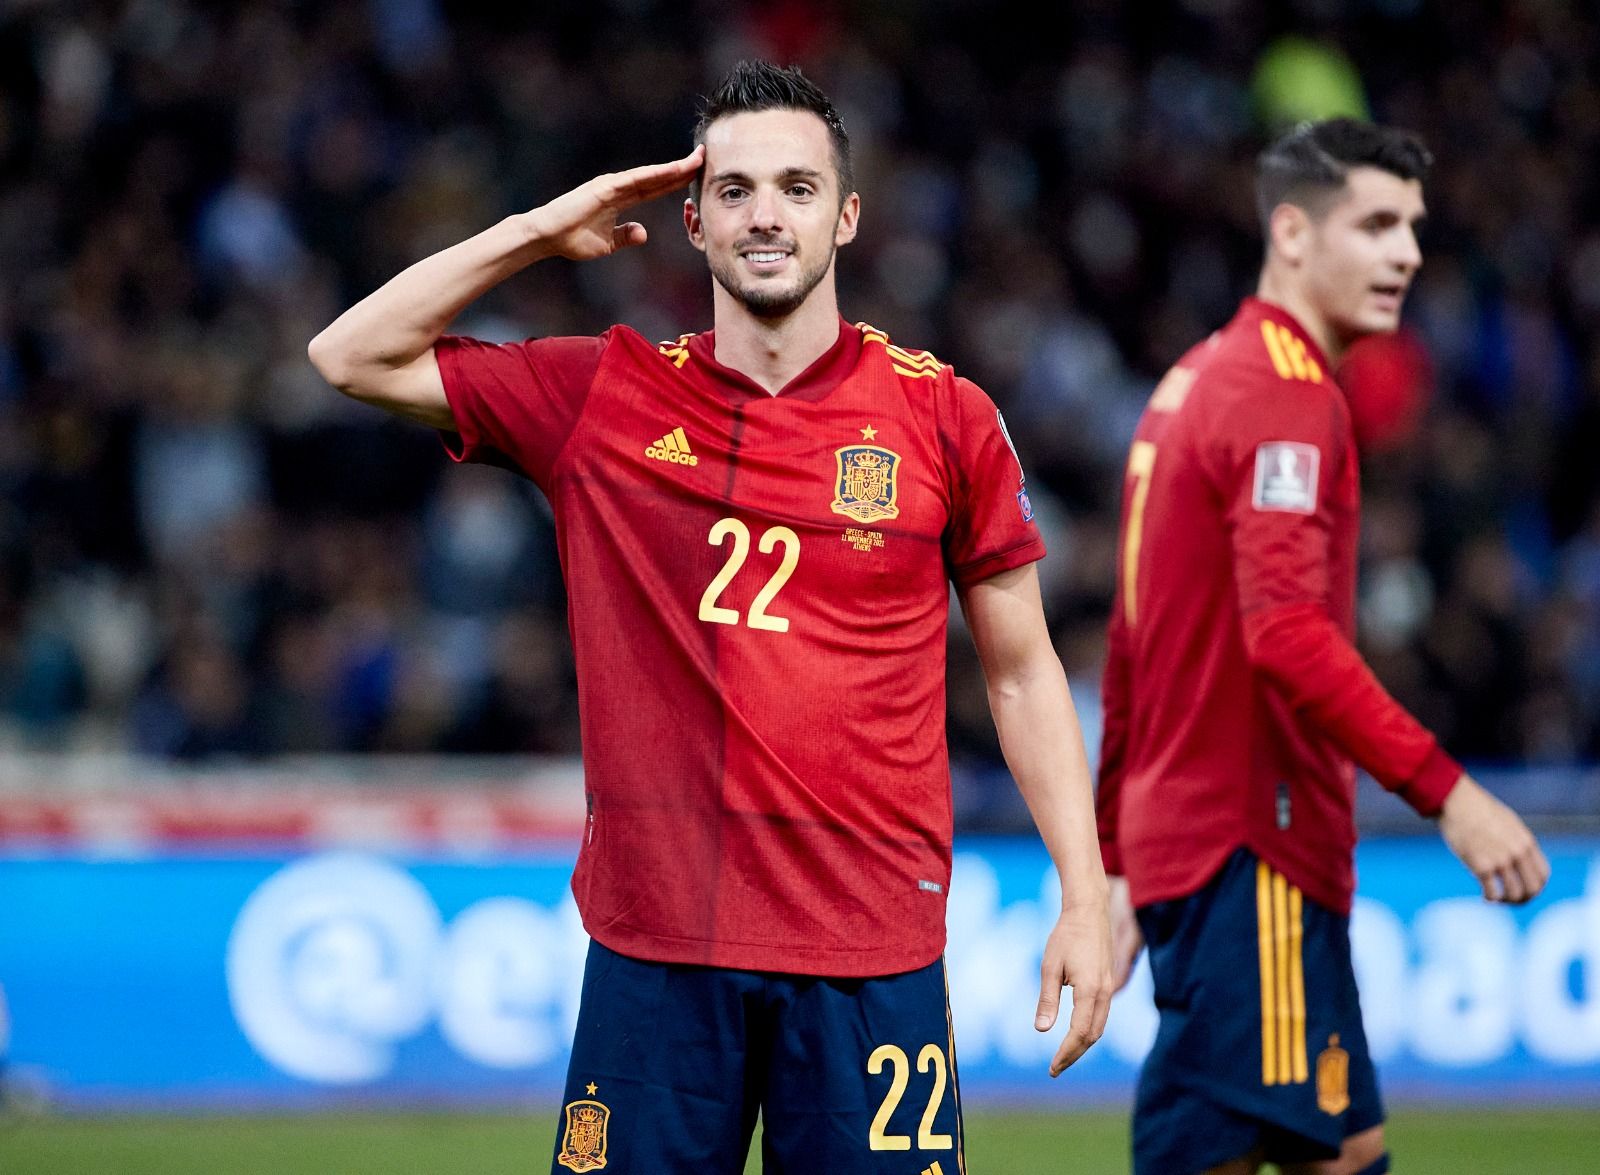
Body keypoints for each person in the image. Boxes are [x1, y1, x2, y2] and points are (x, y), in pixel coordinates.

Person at [309, 60, 1111, 1174]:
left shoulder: (943, 416)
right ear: (689, 219)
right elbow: (348, 355)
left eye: (795, 185)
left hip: (869, 950)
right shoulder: (602, 393)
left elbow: (1021, 674)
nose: (766, 215)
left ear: (847, 214)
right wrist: (542, 229)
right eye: (734, 190)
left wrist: (1083, 889)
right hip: (658, 950)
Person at [1095, 118, 1552, 1175]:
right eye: (1378, 224)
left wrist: (1121, 847)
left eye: (1414, 228)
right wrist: (1450, 792)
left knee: (1347, 1152)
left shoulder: (1190, 381)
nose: (1406, 254)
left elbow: (1131, 633)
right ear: (1291, 232)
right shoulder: (1285, 397)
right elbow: (1287, 636)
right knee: (1210, 1146)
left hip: (1210, 841)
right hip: (1249, 843)